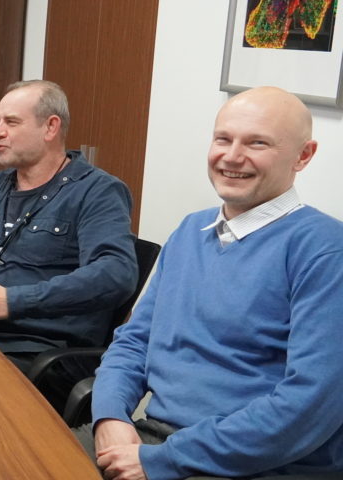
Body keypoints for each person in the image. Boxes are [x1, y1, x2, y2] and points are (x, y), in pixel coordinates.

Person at [81, 87, 343, 480]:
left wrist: (162, 460)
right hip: (153, 440)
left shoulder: (325, 250)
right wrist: (109, 417)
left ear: (303, 156)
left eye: (257, 143)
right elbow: (134, 340)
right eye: (224, 139)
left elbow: (308, 406)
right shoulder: (191, 230)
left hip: (249, 465)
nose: (232, 156)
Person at [0, 80, 137, 407]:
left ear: (50, 127)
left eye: (11, 122)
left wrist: (14, 301)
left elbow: (116, 274)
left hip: (44, 355)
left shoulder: (97, 192)